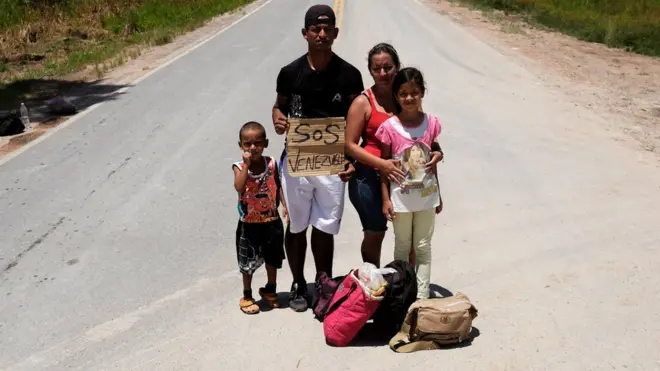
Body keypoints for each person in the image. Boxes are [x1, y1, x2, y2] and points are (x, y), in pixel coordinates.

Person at [271, 4, 365, 312]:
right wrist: (278, 119)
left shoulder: (350, 75)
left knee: (325, 226)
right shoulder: (290, 72)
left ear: (336, 33)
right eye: (315, 29)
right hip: (297, 162)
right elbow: (279, 106)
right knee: (297, 225)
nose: (321, 34)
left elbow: (358, 120)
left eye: (327, 29)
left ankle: (323, 283)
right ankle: (298, 282)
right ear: (305, 33)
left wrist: (354, 156)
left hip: (332, 163)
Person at [345, 43, 443, 267]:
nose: (383, 74)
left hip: (408, 178)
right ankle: (373, 285)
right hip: (369, 177)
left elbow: (426, 136)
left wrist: (438, 153)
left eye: (388, 67)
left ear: (397, 67)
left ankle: (408, 284)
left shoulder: (406, 97)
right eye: (377, 69)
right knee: (375, 232)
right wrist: (382, 164)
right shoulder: (363, 102)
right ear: (370, 71)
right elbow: (350, 145)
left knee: (409, 237)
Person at [375, 67, 444, 300]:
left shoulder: (431, 123)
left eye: (414, 92)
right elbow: (384, 166)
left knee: (423, 247)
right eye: (403, 93)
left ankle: (421, 299)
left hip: (427, 198)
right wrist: (385, 198)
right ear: (396, 96)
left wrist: (439, 195)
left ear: (422, 92)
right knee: (403, 248)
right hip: (400, 201)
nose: (409, 98)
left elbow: (433, 160)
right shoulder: (390, 128)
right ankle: (402, 296)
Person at [232, 121, 287, 314]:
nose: (253, 148)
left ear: (266, 143)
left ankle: (270, 288)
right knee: (247, 261)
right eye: (247, 144)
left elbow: (278, 186)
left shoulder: (271, 163)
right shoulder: (239, 167)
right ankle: (247, 294)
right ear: (241, 146)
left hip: (271, 221)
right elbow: (239, 187)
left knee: (273, 257)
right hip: (249, 224)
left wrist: (285, 206)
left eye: (257, 143)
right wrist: (246, 166)